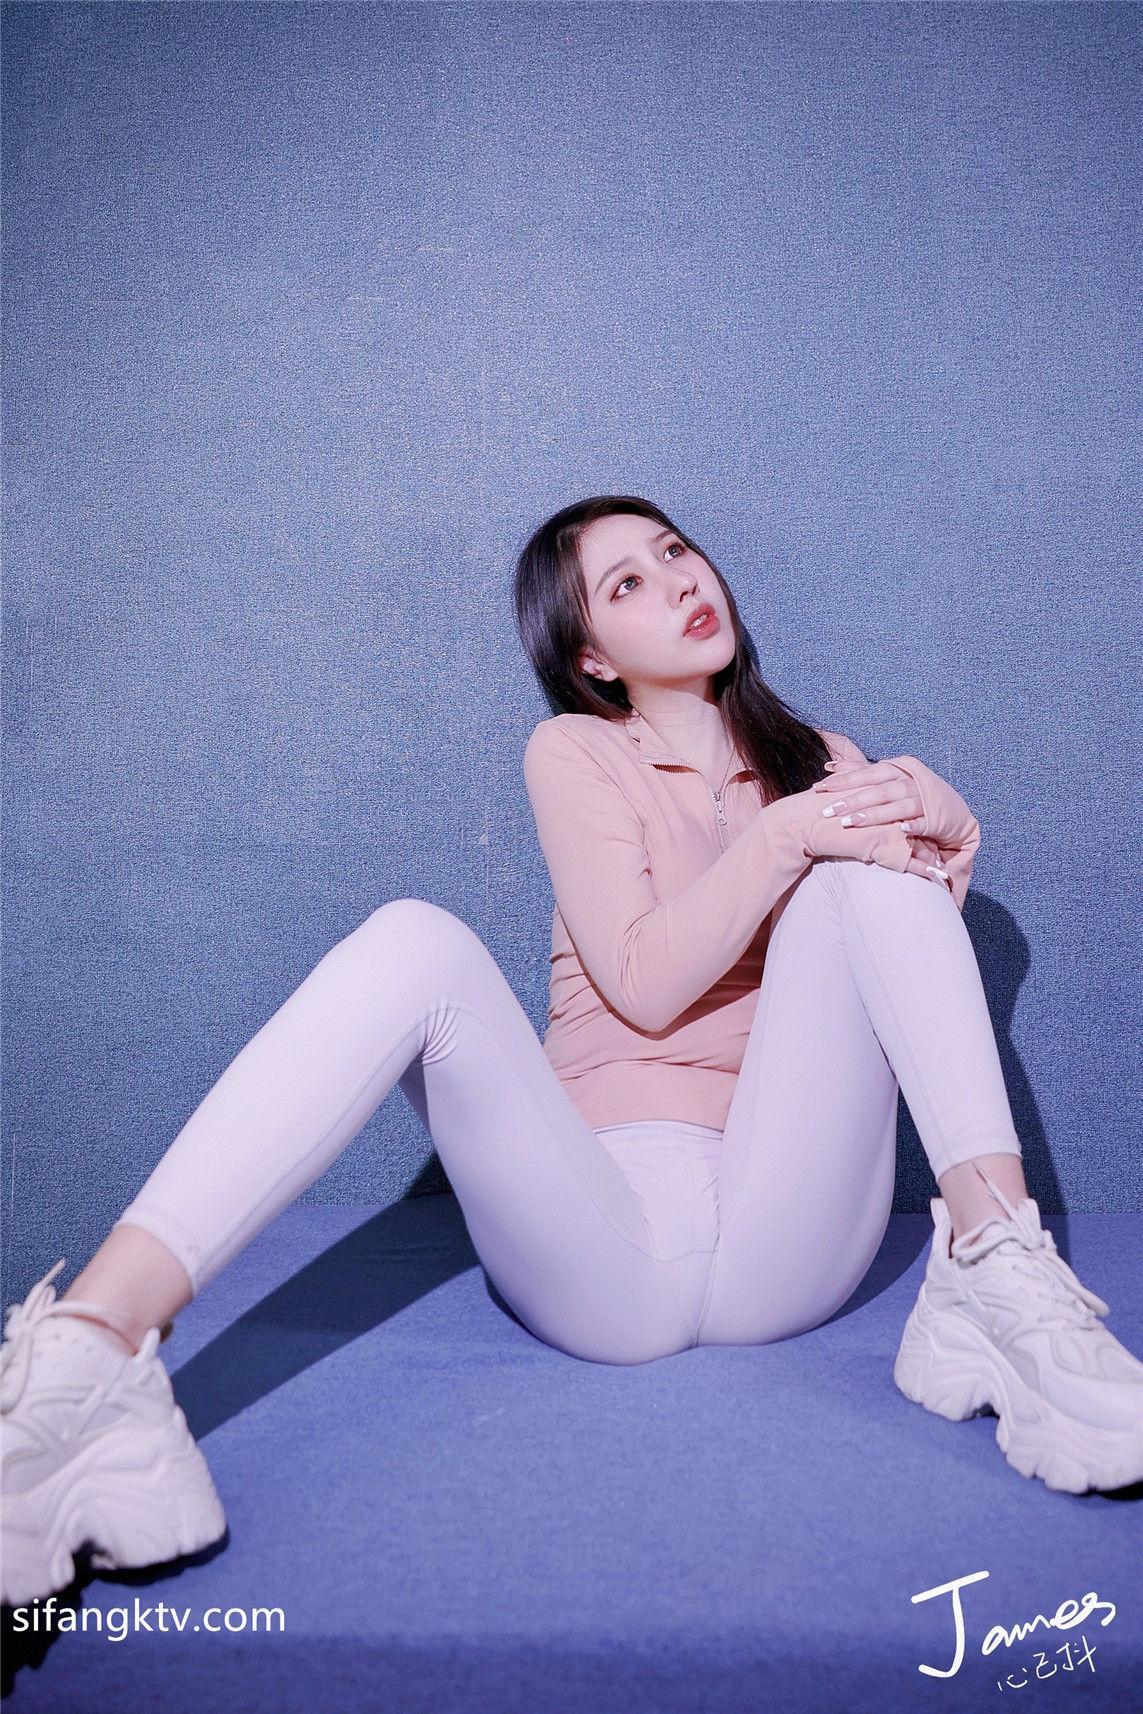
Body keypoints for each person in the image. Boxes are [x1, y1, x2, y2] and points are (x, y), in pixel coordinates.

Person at [3, 497, 1140, 1609]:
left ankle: (995, 1271)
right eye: (627, 583)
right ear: (592, 656)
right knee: (414, 939)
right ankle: (93, 1359)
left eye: (676, 551)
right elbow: (643, 983)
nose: (679, 582)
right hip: (605, 1237)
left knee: (868, 880)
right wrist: (793, 833)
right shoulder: (576, 753)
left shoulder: (819, 761)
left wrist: (936, 816)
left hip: (785, 1228)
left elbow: (898, 961)